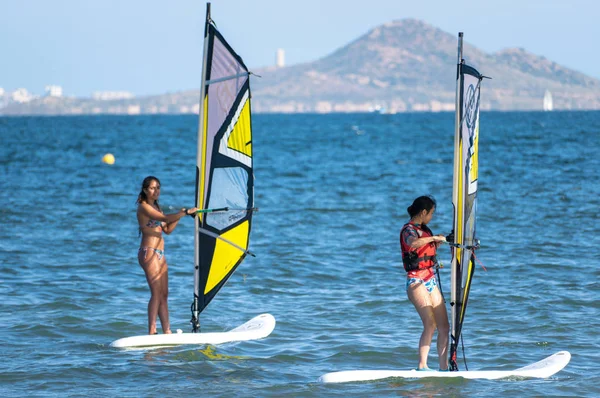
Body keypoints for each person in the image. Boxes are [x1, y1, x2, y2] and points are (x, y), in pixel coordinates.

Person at [136, 176, 198, 335]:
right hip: (148, 252)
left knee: (164, 294)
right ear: (145, 190)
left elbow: (167, 229)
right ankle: (151, 331)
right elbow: (163, 219)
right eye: (152, 188)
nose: (155, 191)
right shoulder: (143, 207)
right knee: (156, 293)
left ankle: (167, 331)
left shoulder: (157, 207)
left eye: (158, 188)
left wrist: (183, 215)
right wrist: (183, 213)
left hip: (160, 253)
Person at [399, 195, 449, 371]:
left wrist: (440, 241)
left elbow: (427, 250)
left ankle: (444, 368)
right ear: (423, 212)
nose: (432, 217)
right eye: (431, 213)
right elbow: (413, 244)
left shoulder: (425, 230)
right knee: (430, 323)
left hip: (430, 279)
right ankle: (422, 366)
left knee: (444, 326)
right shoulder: (408, 230)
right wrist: (433, 238)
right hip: (415, 281)